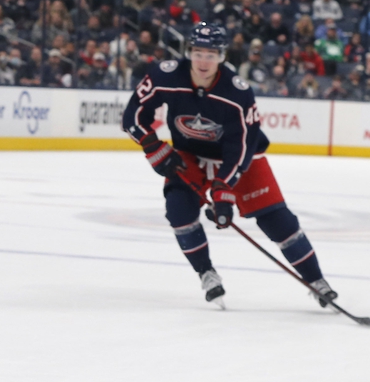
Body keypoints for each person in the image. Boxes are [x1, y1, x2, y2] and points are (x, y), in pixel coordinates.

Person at [122, 22, 337, 308]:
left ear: (222, 56)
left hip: (237, 158)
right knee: (178, 210)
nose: (203, 61)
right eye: (198, 52)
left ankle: (316, 280)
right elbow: (133, 116)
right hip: (189, 153)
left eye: (211, 55)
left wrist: (224, 187)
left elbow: (243, 144)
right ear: (189, 52)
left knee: (278, 221)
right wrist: (152, 145)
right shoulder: (165, 75)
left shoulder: (237, 92)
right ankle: (206, 273)